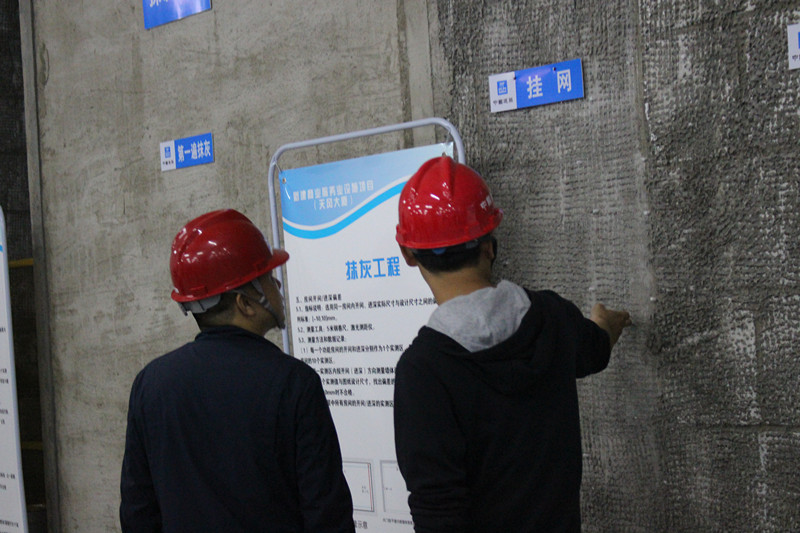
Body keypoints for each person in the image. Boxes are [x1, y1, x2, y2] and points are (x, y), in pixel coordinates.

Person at [392, 157, 632, 532]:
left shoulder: (423, 371)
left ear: (408, 254)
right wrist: (604, 323)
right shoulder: (553, 317)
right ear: (489, 245)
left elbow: (437, 510)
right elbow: (595, 350)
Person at [120, 209, 355, 532]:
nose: (277, 286)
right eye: (268, 279)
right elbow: (327, 515)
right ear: (245, 302)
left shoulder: (151, 384)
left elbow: (138, 511)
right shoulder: (294, 383)